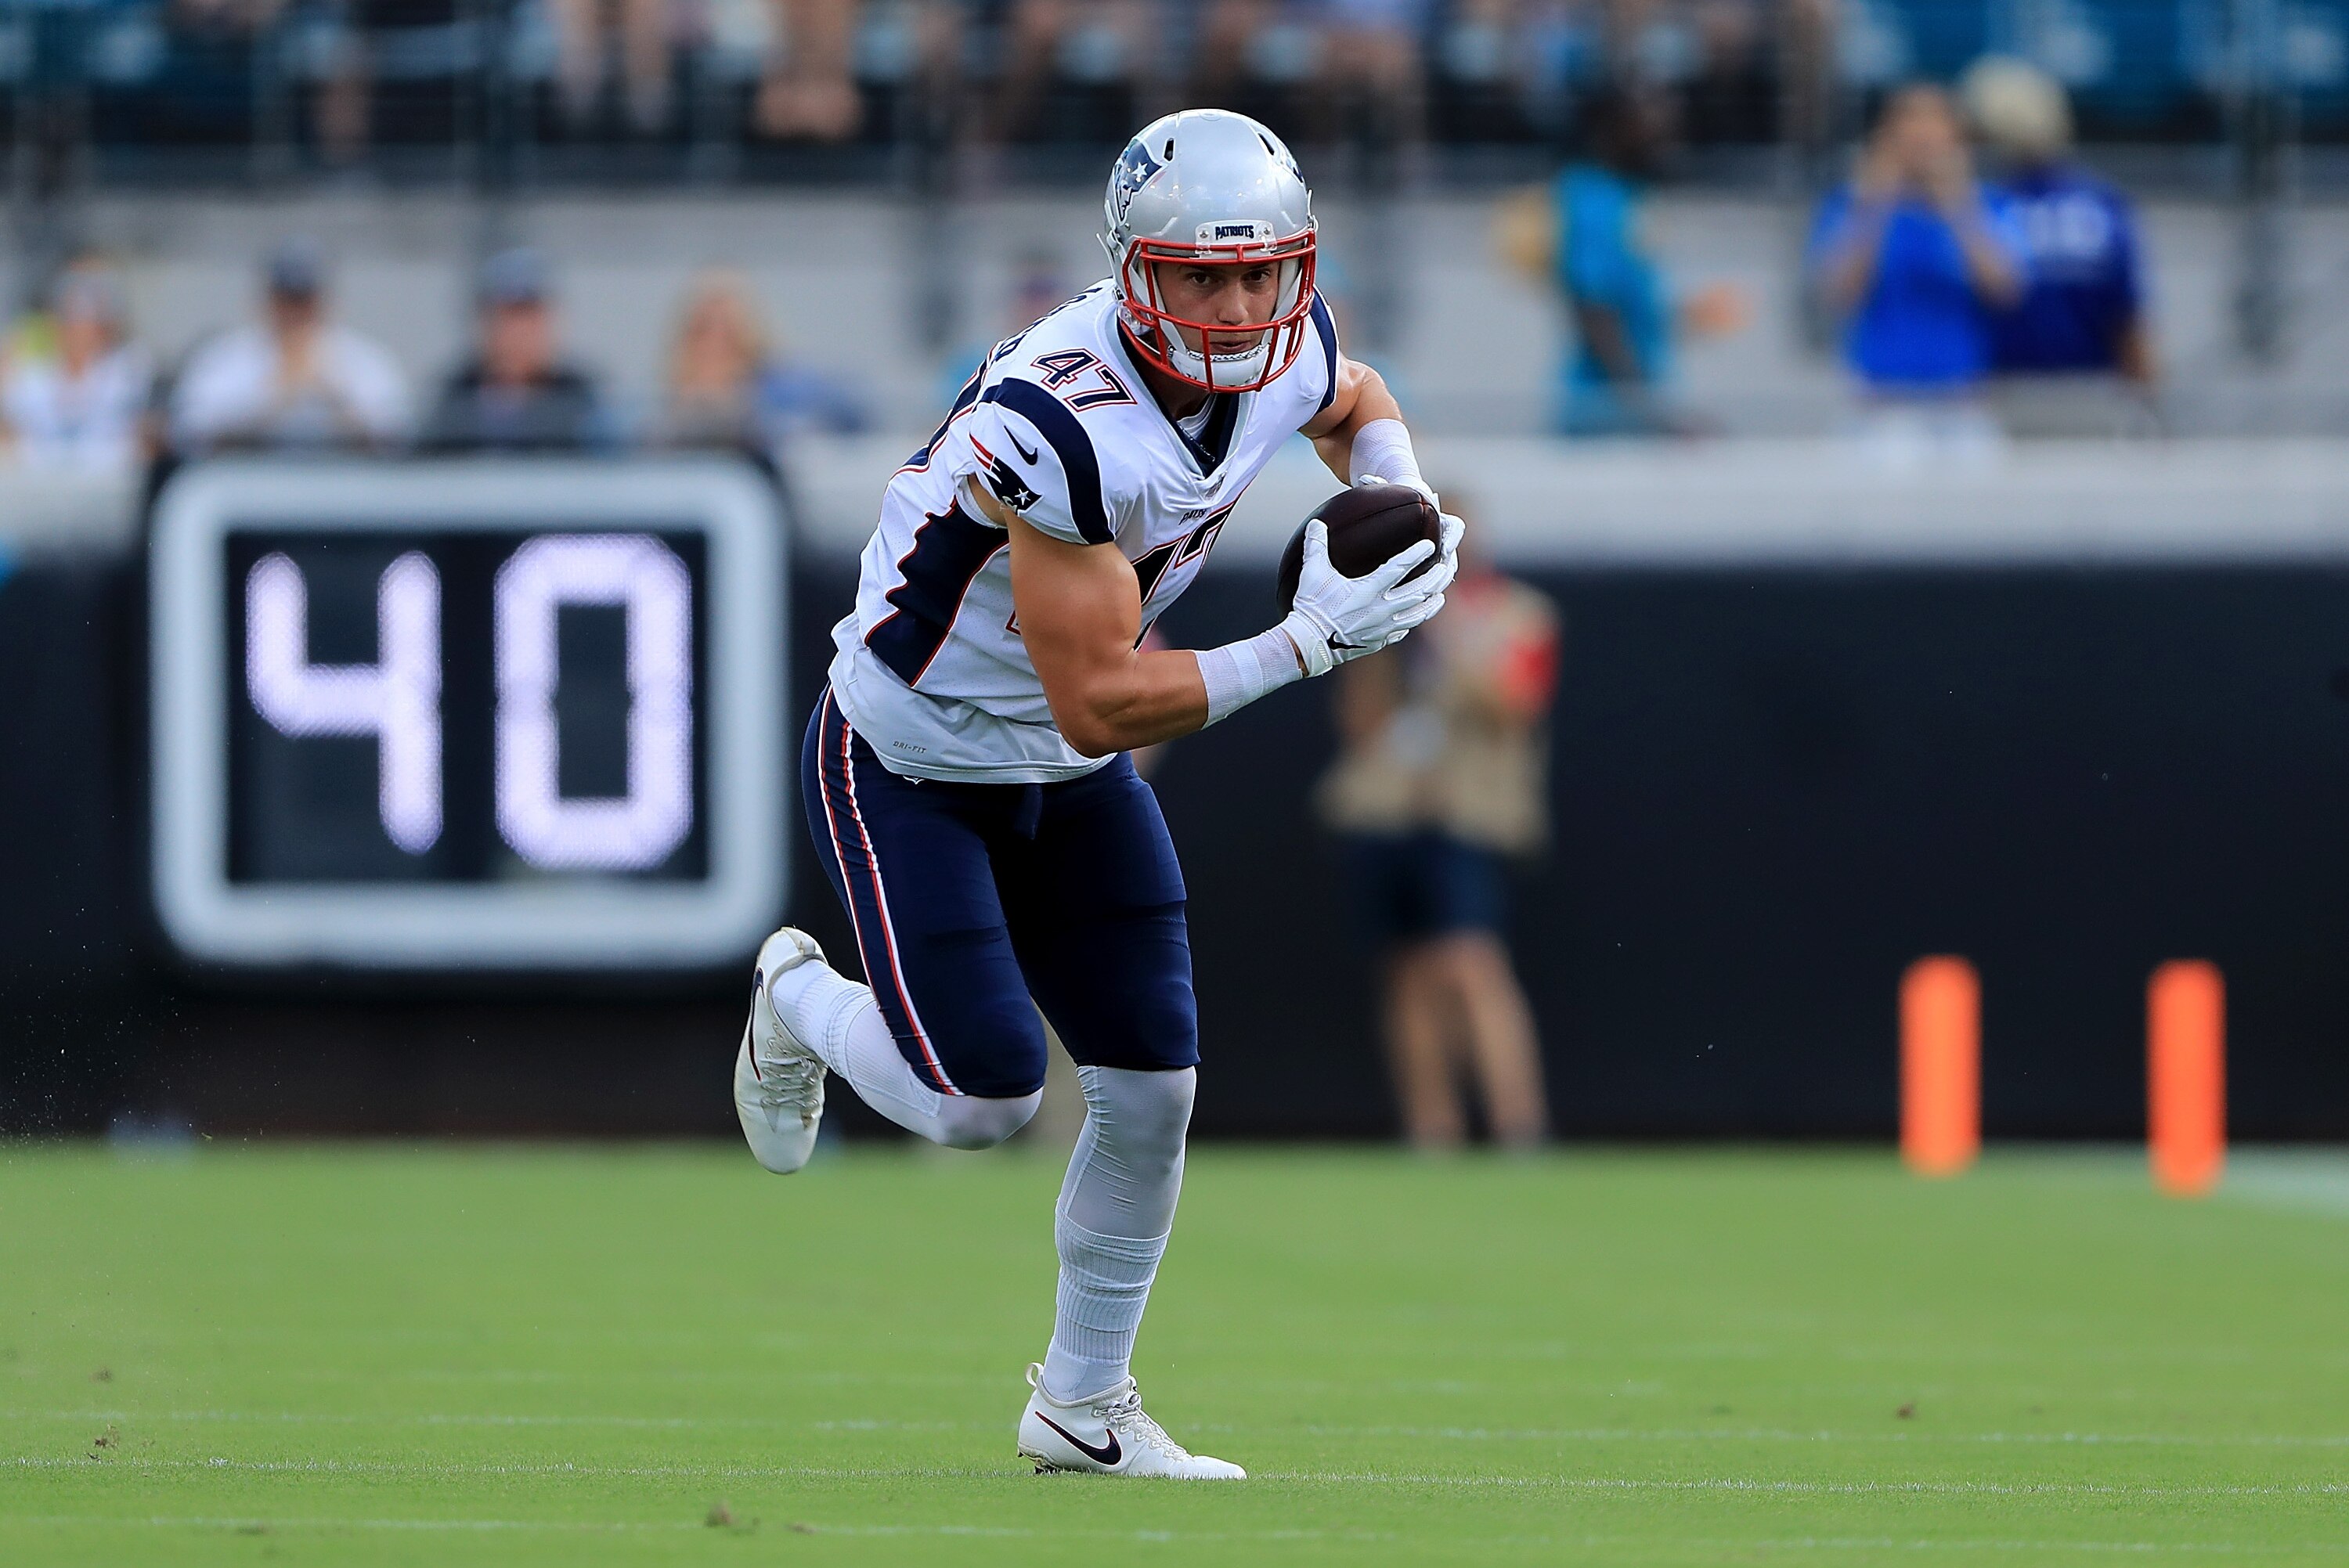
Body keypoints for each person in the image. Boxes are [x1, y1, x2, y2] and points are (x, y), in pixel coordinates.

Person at [730, 109, 1458, 1479]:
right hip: (915, 753)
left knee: (1152, 1089)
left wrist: (1401, 498)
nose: (1240, 305)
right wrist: (1309, 641)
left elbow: (1357, 401)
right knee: (984, 1098)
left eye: (1263, 273)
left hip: (1061, 775)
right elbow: (1100, 695)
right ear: (1136, 272)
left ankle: (1081, 1401)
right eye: (1202, 275)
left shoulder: (1286, 342)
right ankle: (798, 1002)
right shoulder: (1058, 424)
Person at [1318, 521, 1557, 1150]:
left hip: (1466, 813)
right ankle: (1432, 1128)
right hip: (1388, 809)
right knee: (1406, 971)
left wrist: (1448, 626)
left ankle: (1517, 1125)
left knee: (1471, 962)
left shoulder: (1520, 615)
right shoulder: (1385, 619)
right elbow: (1362, 725)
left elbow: (1514, 704)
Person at [1499, 81, 1746, 434]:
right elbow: (1592, 308)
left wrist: (1685, 316)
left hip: (1628, 401)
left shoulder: (1628, 196)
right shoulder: (1591, 199)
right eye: (1649, 123)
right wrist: (1647, 408)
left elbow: (1632, 305)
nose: (1664, 135)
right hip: (1604, 413)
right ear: (1612, 129)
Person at [1961, 56, 2156, 434]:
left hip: (2025, 391)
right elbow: (2129, 320)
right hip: (2035, 391)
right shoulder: (2101, 203)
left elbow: (2127, 317)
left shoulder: (1985, 208)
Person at [1806, 84, 2026, 419]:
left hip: (1962, 393)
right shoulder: (1852, 204)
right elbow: (1838, 294)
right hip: (1880, 395)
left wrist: (1958, 206)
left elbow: (2006, 291)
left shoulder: (1988, 206)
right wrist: (1876, 203)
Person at [170, 238, 410, 456]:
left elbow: (397, 436)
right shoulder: (227, 357)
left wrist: (329, 392)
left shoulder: (364, 359)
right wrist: (277, 396)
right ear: (267, 300)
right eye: (286, 300)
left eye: (304, 300)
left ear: (324, 300)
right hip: (248, 490)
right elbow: (192, 434)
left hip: (344, 491)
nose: (295, 312)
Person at [419, 249, 612, 454]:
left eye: (530, 317)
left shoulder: (578, 396)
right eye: (509, 316)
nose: (520, 331)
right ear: (484, 321)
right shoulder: (456, 395)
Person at [654, 272, 867, 456]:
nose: (715, 346)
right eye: (704, 331)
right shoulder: (664, 410)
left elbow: (852, 411)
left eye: (727, 335)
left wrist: (750, 414)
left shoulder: (784, 392)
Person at [1, 264, 154, 476]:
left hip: (105, 483)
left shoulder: (128, 371)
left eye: (87, 320)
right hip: (37, 483)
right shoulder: (33, 377)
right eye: (71, 320)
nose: (78, 330)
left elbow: (140, 440)